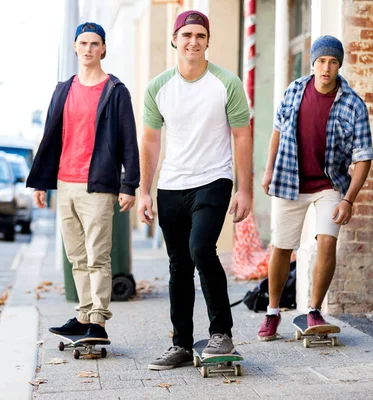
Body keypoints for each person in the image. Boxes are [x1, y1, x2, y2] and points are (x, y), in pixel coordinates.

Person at [138, 10, 252, 370]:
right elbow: (151, 142)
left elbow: (242, 136)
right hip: (171, 185)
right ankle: (181, 344)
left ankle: (221, 333)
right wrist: (144, 191)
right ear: (175, 39)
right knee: (178, 265)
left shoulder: (226, 83)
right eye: (186, 34)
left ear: (207, 41)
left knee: (201, 249)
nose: (193, 41)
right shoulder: (158, 87)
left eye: (200, 35)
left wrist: (245, 189)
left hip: (214, 179)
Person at [26, 22, 140, 341]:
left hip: (99, 185)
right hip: (65, 182)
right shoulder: (63, 88)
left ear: (103, 49)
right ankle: (83, 314)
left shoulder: (115, 91)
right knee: (76, 255)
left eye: (95, 43)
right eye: (83, 43)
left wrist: (129, 184)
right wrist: (41, 183)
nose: (88, 49)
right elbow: (50, 137)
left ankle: (99, 321)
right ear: (75, 47)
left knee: (97, 255)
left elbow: (129, 141)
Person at [258, 35, 373, 341]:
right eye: (322, 61)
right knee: (282, 246)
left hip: (329, 183)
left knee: (327, 241)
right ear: (313, 63)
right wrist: (269, 170)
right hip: (289, 179)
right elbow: (277, 132)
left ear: (339, 66)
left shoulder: (353, 104)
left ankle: (313, 309)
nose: (326, 68)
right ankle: (272, 312)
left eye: (333, 62)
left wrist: (349, 200)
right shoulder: (295, 90)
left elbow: (363, 159)